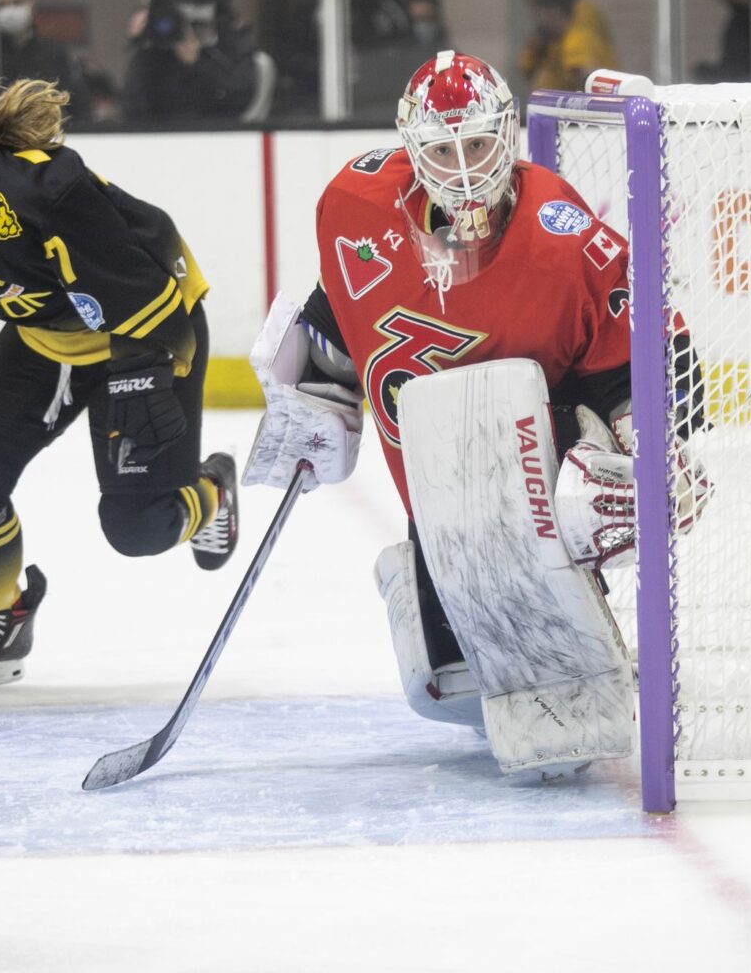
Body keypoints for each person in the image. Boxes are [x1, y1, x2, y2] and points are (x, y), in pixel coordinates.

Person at [239, 51, 709, 779]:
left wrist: (649, 439)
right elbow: (341, 308)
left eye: (479, 145)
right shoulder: (353, 207)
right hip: (433, 493)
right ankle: (413, 574)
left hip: (527, 478)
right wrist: (314, 395)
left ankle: (569, 599)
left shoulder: (560, 232)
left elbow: (647, 351)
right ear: (409, 148)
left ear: (509, 135)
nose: (463, 169)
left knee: (548, 696)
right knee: (443, 693)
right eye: (441, 150)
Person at [0, 66, 239, 690]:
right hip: (49, 336)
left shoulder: (40, 189)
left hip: (148, 326)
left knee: (138, 529)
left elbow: (141, 291)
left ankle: (214, 492)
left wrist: (148, 377)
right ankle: (3, 621)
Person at [121, 0, 257, 124]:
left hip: (217, 136)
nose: (190, 12)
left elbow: (238, 101)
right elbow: (132, 109)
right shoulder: (158, 47)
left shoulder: (232, 44)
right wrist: (141, 44)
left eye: (199, 1)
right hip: (160, 137)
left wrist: (197, 63)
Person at [518, 0, 618, 93]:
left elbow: (585, 75)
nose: (534, 16)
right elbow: (525, 70)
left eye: (535, 7)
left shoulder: (582, 22)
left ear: (550, 11)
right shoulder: (547, 36)